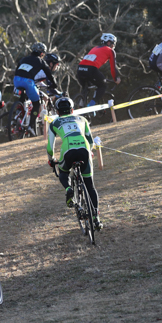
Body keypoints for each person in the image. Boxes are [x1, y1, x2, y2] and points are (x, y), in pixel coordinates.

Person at [46, 97, 102, 230]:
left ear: (58, 111)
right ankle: (96, 217)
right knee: (90, 185)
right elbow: (90, 141)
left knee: (63, 172)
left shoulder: (54, 123)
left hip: (68, 150)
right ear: (72, 110)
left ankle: (68, 189)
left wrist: (51, 159)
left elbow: (49, 147)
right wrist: (90, 150)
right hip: (84, 150)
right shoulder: (82, 119)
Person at [13, 43, 59, 126]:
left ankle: (18, 112)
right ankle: (31, 125)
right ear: (41, 53)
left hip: (16, 80)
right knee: (36, 103)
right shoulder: (40, 61)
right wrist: (54, 85)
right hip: (28, 82)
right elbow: (49, 74)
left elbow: (17, 70)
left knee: (23, 99)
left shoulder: (23, 59)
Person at [77, 33, 121, 106]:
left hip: (80, 68)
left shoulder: (94, 48)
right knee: (102, 86)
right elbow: (113, 68)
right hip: (91, 69)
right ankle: (91, 105)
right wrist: (115, 79)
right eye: (113, 44)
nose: (113, 46)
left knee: (85, 88)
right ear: (109, 42)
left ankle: (80, 106)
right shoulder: (110, 51)